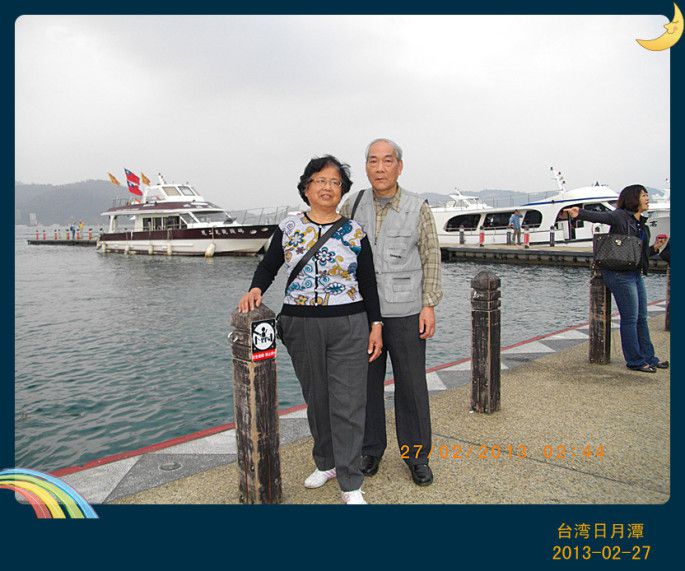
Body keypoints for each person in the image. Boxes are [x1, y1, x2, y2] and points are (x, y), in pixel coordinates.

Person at [239, 155, 383, 505]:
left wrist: (376, 324)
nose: (327, 187)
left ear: (342, 191)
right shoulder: (289, 227)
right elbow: (269, 266)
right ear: (306, 188)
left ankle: (351, 482)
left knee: (348, 402)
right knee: (317, 399)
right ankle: (326, 462)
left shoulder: (354, 231)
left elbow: (368, 281)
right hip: (300, 324)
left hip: (349, 323)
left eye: (335, 182)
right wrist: (256, 289)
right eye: (320, 180)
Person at [339, 138, 443, 486]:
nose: (379, 168)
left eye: (387, 161)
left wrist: (429, 304)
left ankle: (417, 456)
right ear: (366, 167)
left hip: (407, 311)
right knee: (366, 386)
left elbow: (431, 257)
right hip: (364, 313)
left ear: (400, 166)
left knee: (411, 385)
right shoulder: (352, 205)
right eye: (373, 161)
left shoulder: (417, 207)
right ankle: (370, 450)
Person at [564, 184, 668, 373]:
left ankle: (649, 358)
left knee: (642, 318)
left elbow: (638, 254)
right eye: (644, 195)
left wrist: (655, 248)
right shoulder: (620, 216)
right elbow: (602, 217)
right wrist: (579, 213)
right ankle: (635, 361)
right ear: (633, 199)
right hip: (619, 274)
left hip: (634, 273)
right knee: (630, 318)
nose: (647, 198)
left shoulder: (640, 223)